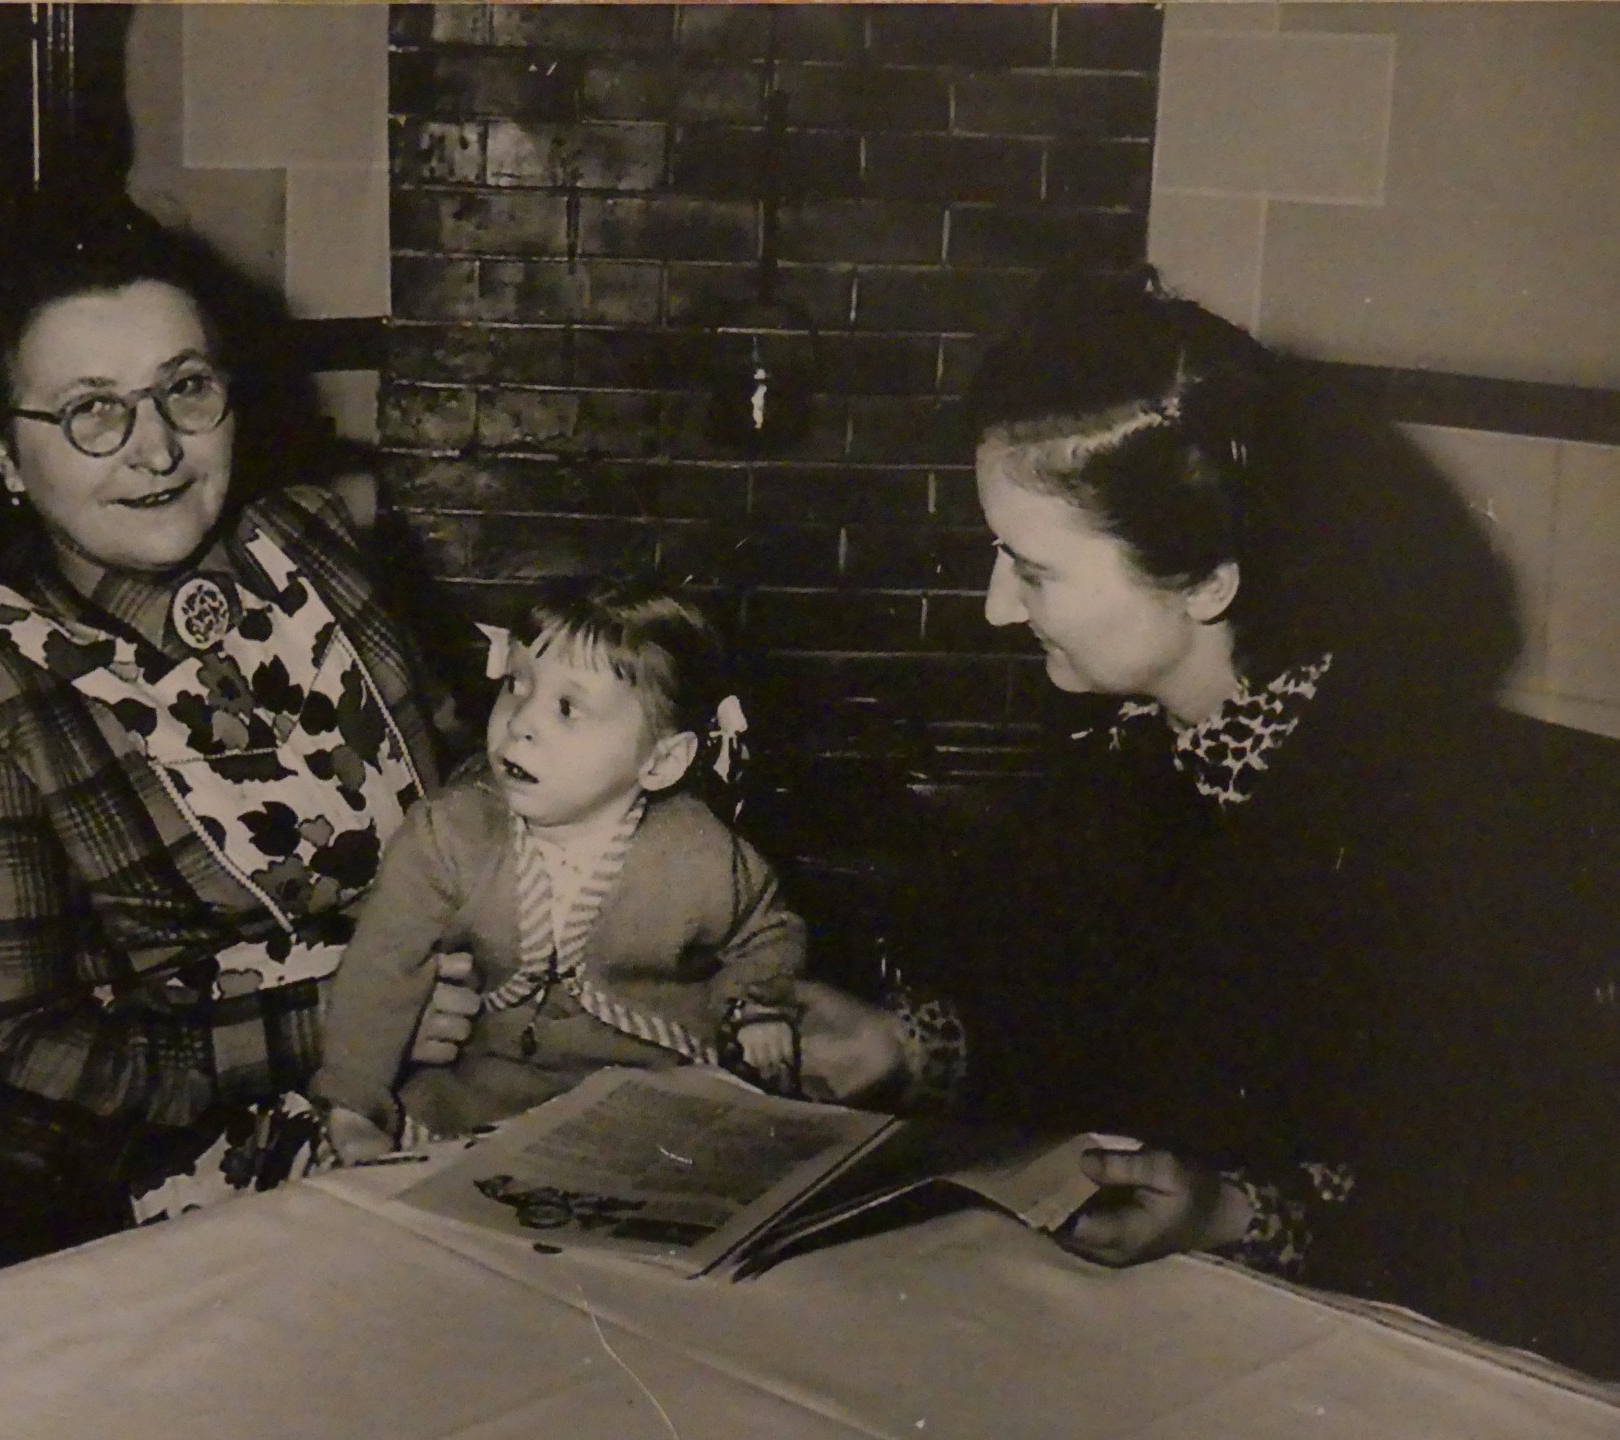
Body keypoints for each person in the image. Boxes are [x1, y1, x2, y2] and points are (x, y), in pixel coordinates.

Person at [939, 268, 1618, 1371]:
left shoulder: (1437, 818)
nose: (997, 607)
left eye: (1031, 568)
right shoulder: (1125, 763)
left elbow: (1503, 1196)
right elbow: (1072, 1039)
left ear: (1205, 580)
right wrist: (908, 1046)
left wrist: (1236, 1213)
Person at [0, 197, 477, 1227]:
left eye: (185, 389)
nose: (156, 451)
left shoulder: (315, 545)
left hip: (480, 1089)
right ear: (3, 457)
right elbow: (7, 1077)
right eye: (90, 410)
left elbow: (469, 791)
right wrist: (338, 1020)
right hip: (232, 1199)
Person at [315, 575, 897, 1156]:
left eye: (568, 707)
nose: (522, 722)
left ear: (661, 761)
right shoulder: (450, 834)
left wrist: (754, 1008)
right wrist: (353, 1105)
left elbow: (767, 933)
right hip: (485, 1089)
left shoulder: (699, 852)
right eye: (517, 685)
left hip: (656, 1087)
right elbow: (380, 967)